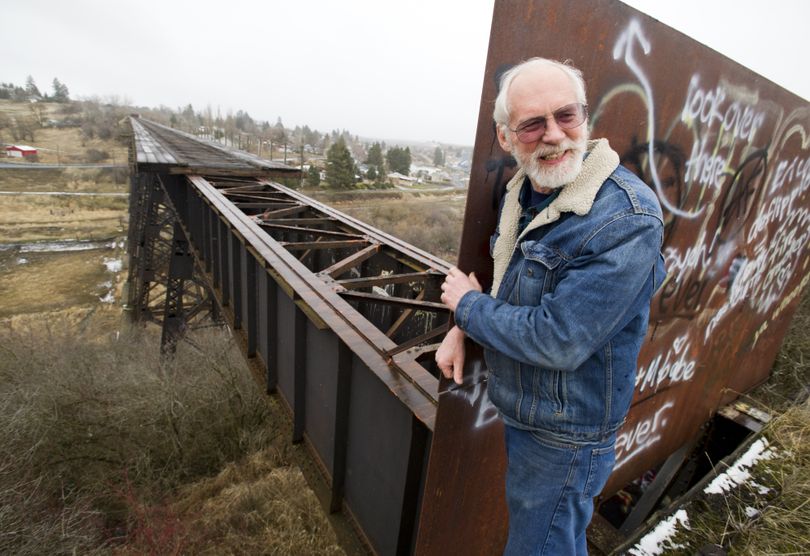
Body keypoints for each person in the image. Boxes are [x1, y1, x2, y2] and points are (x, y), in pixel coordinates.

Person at [436, 57, 666, 555]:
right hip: (528, 411)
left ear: (586, 118)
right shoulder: (525, 190)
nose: (554, 135)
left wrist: (469, 308)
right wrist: (463, 326)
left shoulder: (626, 219)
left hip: (565, 436)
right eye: (532, 124)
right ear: (505, 137)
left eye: (566, 116)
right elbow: (510, 278)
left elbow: (558, 338)